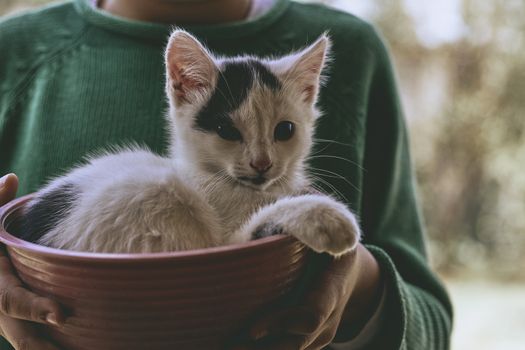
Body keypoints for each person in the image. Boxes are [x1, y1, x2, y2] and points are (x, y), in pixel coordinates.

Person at [0, 0, 453, 349]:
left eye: (284, 132)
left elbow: (431, 325)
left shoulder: (357, 52)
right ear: (183, 86)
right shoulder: (14, 53)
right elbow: (240, 248)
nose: (261, 161)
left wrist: (360, 287)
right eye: (231, 133)